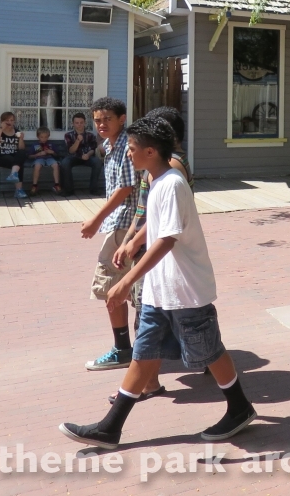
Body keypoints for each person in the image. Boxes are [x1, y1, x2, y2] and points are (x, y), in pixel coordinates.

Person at [59, 116, 257, 449]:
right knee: (144, 354)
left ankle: (239, 408)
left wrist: (125, 283)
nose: (128, 155)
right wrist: (133, 242)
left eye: (133, 150)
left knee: (209, 351)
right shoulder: (157, 180)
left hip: (185, 290)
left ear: (151, 151)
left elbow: (167, 240)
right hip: (159, 290)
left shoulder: (173, 183)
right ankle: (110, 427)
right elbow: (156, 222)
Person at [110, 107, 192, 404]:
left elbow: (167, 227)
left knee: (162, 318)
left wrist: (131, 262)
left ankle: (148, 383)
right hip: (152, 249)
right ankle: (148, 384)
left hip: (166, 256)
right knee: (160, 317)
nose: (131, 152)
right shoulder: (156, 170)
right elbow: (145, 211)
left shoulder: (171, 171)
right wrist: (130, 240)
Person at [82, 97, 139, 371]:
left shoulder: (127, 146)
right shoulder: (109, 145)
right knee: (127, 288)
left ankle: (122, 349)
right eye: (97, 120)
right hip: (121, 223)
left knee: (109, 287)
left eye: (107, 119)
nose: (102, 124)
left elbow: (126, 187)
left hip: (125, 225)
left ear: (122, 119)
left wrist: (96, 219)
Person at [61, 112, 103, 196]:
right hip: (74, 157)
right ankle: (69, 190)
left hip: (87, 157)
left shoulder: (90, 135)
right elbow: (71, 151)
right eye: (77, 123)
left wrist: (88, 155)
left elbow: (93, 148)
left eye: (81, 122)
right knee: (65, 163)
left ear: (85, 123)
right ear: (73, 124)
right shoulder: (68, 135)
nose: (79, 125)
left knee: (97, 162)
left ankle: (93, 189)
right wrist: (77, 141)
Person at [0, 111, 28, 198]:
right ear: (2, 121)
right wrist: (0, 129)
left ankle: (13, 174)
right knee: (17, 163)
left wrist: (21, 139)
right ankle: (18, 190)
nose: (10, 122)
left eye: (12, 120)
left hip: (13, 157)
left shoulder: (16, 131)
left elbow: (21, 148)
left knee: (21, 155)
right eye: (7, 120)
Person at [27, 126, 62, 196]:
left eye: (46, 137)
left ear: (48, 137)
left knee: (55, 165)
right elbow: (29, 156)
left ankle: (56, 185)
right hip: (39, 158)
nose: (44, 139)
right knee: (37, 166)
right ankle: (34, 185)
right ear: (38, 137)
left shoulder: (51, 144)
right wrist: (38, 154)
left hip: (49, 158)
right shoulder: (35, 145)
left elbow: (57, 155)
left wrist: (52, 152)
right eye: (42, 137)